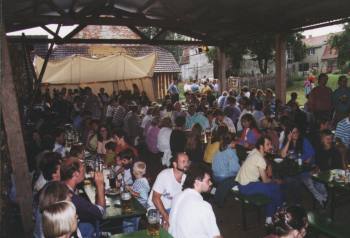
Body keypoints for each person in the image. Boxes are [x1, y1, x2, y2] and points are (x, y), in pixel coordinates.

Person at [235, 136, 283, 224]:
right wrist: (275, 180)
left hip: (241, 184)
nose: (271, 147)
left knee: (273, 189)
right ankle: (272, 216)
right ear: (261, 146)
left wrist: (268, 166)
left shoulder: (254, 151)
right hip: (247, 186)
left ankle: (278, 208)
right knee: (274, 189)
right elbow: (265, 180)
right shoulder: (260, 159)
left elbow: (262, 160)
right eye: (268, 144)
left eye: (270, 144)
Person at [169, 164, 222, 238]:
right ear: (197, 182)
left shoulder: (177, 197)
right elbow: (216, 236)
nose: (211, 183)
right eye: (208, 181)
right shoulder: (204, 206)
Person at [61, 157, 105, 237]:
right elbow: (100, 212)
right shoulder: (72, 198)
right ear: (75, 174)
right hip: (65, 231)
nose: (84, 170)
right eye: (82, 167)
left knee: (88, 227)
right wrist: (100, 185)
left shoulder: (61, 186)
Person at [148, 152, 190, 229]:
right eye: (183, 162)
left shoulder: (186, 178)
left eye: (187, 161)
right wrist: (166, 216)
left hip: (172, 209)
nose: (186, 164)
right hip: (155, 208)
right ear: (175, 164)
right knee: (166, 228)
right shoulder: (164, 175)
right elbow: (155, 198)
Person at [212, 131, 240, 207]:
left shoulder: (219, 150)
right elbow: (234, 169)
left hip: (214, 175)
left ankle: (217, 190)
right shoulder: (230, 152)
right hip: (223, 177)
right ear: (232, 142)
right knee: (241, 176)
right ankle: (237, 194)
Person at [123, 162, 150, 233]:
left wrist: (130, 190)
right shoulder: (140, 180)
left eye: (133, 169)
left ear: (135, 172)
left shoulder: (141, 182)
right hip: (137, 206)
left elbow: (143, 196)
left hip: (139, 207)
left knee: (128, 222)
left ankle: (129, 234)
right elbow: (137, 188)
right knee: (133, 222)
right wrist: (130, 187)